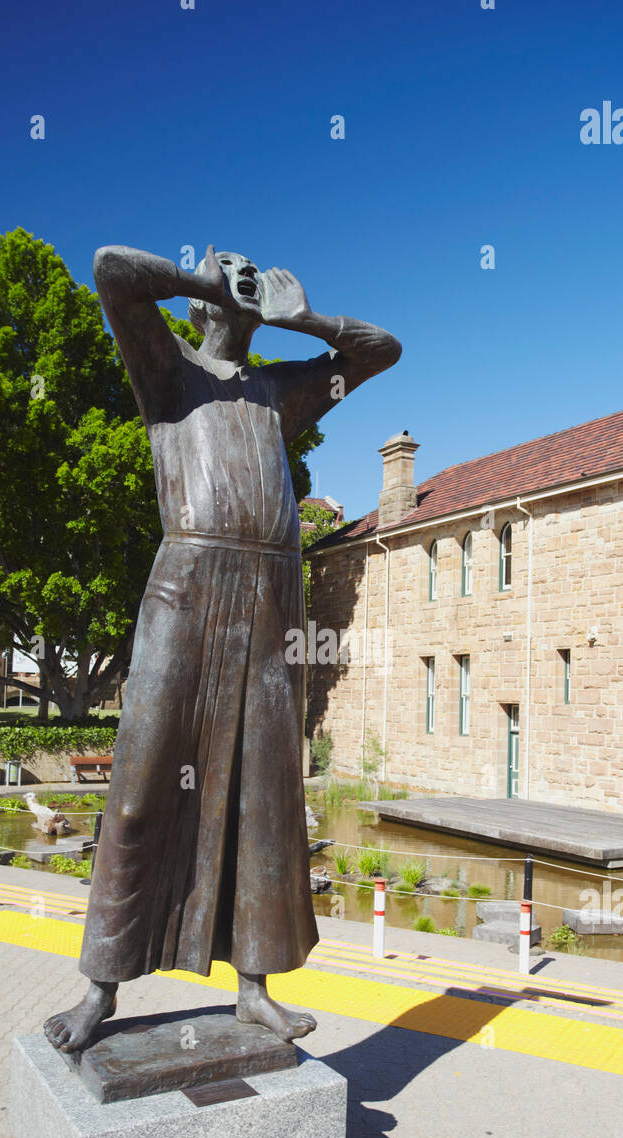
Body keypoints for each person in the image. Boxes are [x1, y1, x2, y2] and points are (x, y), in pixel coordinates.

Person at [44, 244, 401, 1053]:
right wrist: (204, 282)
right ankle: (99, 988)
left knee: (265, 797)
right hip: (189, 585)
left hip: (272, 598)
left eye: (248, 271)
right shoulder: (168, 371)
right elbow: (112, 271)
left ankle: (253, 987)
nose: (241, 277)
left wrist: (303, 317)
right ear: (203, 302)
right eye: (225, 271)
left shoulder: (282, 392)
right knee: (139, 785)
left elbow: (380, 351)